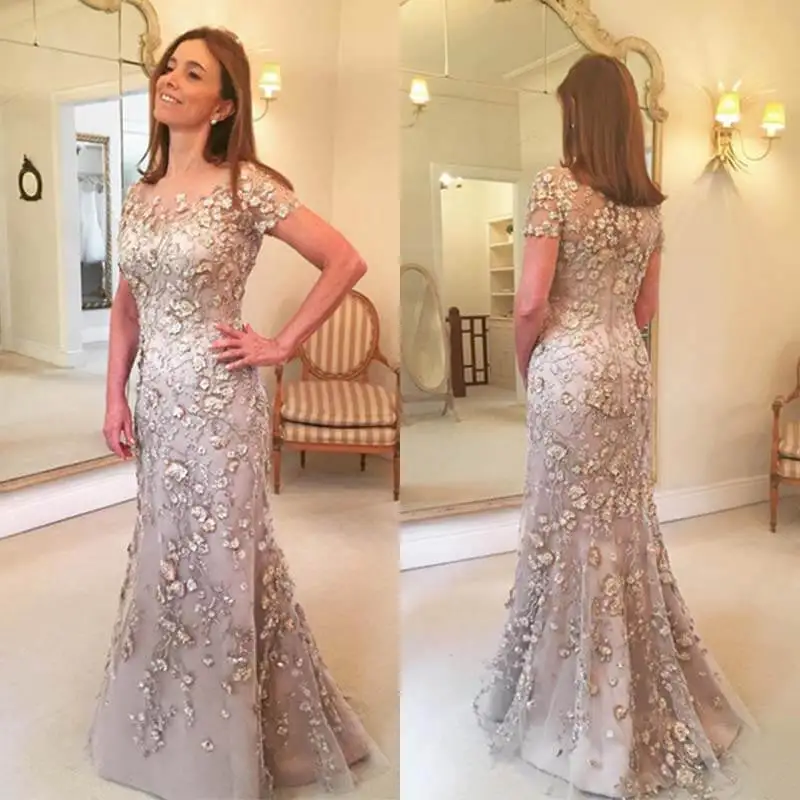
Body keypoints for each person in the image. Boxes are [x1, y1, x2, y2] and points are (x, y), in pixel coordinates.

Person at [90, 26, 382, 800]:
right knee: (166, 551)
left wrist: (283, 343)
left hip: (220, 402)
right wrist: (114, 394)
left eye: (193, 73)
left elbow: (345, 260)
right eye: (169, 67)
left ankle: (227, 744)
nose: (171, 79)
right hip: (159, 400)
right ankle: (167, 721)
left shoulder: (245, 185)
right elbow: (127, 309)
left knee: (221, 558)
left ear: (223, 105)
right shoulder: (139, 194)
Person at [473, 54, 751, 798]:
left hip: (569, 365)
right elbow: (645, 307)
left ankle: (574, 698)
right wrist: (608, 338)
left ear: (578, 113)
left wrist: (530, 364)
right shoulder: (648, 206)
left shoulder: (555, 186)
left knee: (567, 521)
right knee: (621, 519)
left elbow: (529, 303)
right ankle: (627, 674)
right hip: (627, 367)